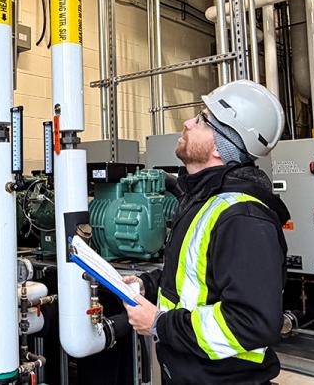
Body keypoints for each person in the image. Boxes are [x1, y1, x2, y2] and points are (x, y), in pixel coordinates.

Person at [122, 79, 290, 385]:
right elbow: (196, 277)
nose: (188, 122)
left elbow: (251, 323)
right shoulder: (205, 202)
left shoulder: (242, 217)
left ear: (219, 146)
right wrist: (148, 284)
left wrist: (160, 324)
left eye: (202, 119)